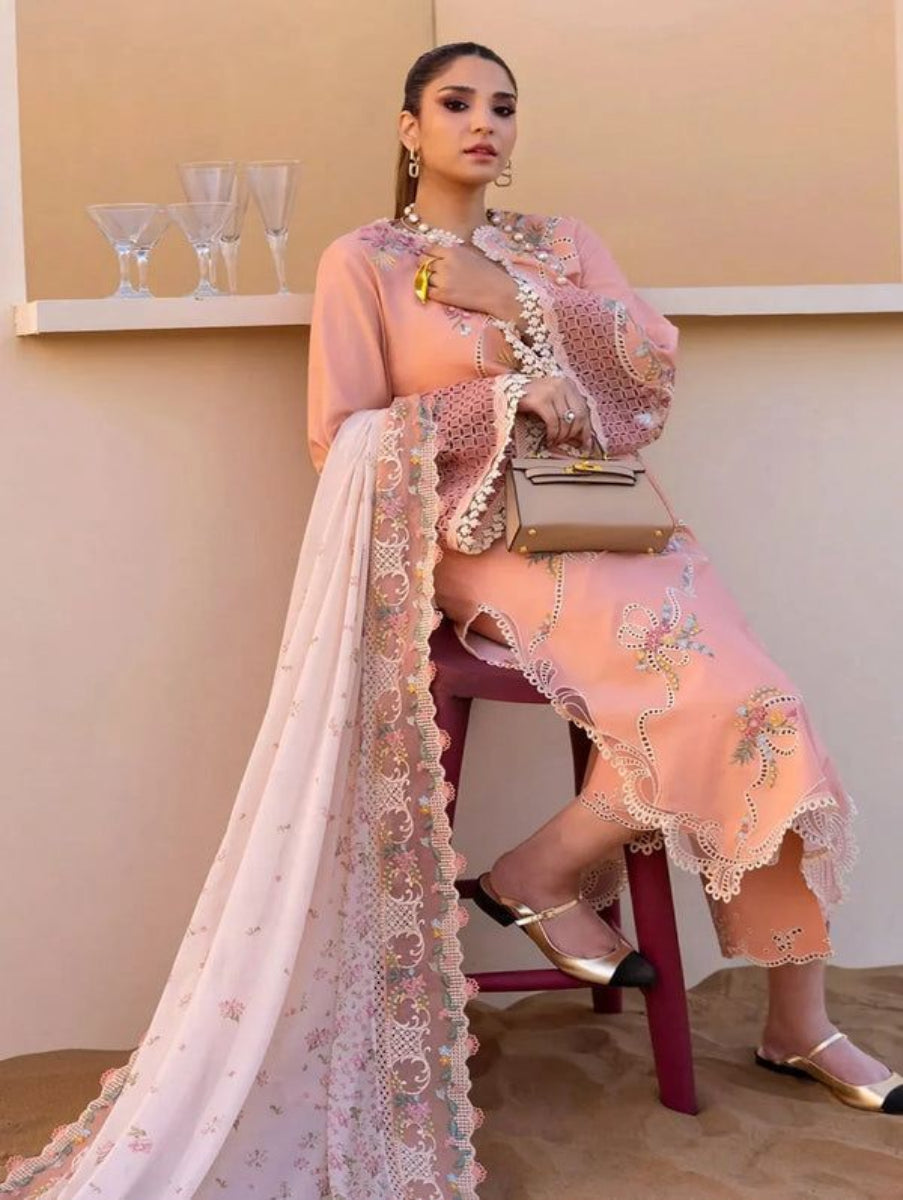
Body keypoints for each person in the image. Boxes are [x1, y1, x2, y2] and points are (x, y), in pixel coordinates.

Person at [2, 37, 899, 1200]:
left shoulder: (561, 246)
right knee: (715, 708)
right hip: (482, 544)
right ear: (409, 128)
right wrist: (499, 392)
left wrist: (521, 303)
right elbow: (345, 439)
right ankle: (575, 895)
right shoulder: (362, 263)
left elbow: (647, 378)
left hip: (614, 529)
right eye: (457, 102)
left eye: (504, 106)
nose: (485, 122)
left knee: (761, 708)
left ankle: (738, 985)